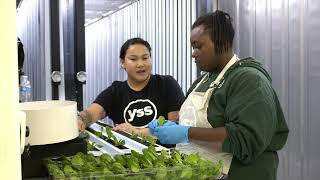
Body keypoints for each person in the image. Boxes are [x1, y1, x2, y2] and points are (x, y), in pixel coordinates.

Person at [148, 10, 289, 180]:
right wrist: (170, 126)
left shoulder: (249, 80)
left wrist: (186, 133)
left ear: (223, 43)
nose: (193, 53)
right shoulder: (203, 80)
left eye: (198, 46)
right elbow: (199, 123)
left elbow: (246, 139)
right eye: (193, 47)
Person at [78, 37, 185, 139]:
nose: (140, 64)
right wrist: (80, 119)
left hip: (166, 154)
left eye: (145, 58)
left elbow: (176, 128)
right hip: (129, 154)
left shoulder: (166, 84)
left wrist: (137, 132)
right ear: (123, 62)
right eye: (133, 59)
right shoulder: (116, 91)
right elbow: (92, 113)